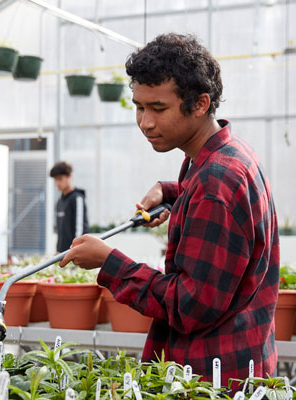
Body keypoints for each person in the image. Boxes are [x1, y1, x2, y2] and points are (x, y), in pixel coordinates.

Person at [58, 33, 279, 385]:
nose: (145, 122)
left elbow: (189, 305)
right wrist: (173, 193)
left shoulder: (214, 184)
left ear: (200, 103)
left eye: (158, 108)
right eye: (139, 106)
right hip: (241, 356)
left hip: (213, 378)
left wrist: (110, 263)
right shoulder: (227, 154)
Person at [49, 161, 89, 252]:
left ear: (69, 177)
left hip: (75, 254)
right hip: (61, 254)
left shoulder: (77, 198)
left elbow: (80, 230)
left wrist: (75, 251)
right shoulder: (59, 201)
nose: (57, 183)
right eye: (55, 179)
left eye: (60, 179)